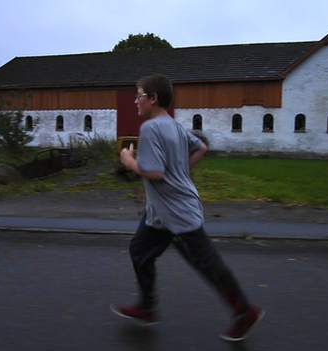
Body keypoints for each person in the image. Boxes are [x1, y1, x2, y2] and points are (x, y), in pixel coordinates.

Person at [110, 74, 264, 342]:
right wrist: (181, 172)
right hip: (160, 213)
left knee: (207, 264)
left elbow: (154, 172)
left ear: (153, 98)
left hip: (178, 213)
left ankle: (244, 312)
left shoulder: (150, 128)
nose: (136, 100)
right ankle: (146, 308)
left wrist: (128, 160)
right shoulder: (174, 125)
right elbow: (201, 147)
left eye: (139, 95)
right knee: (140, 249)